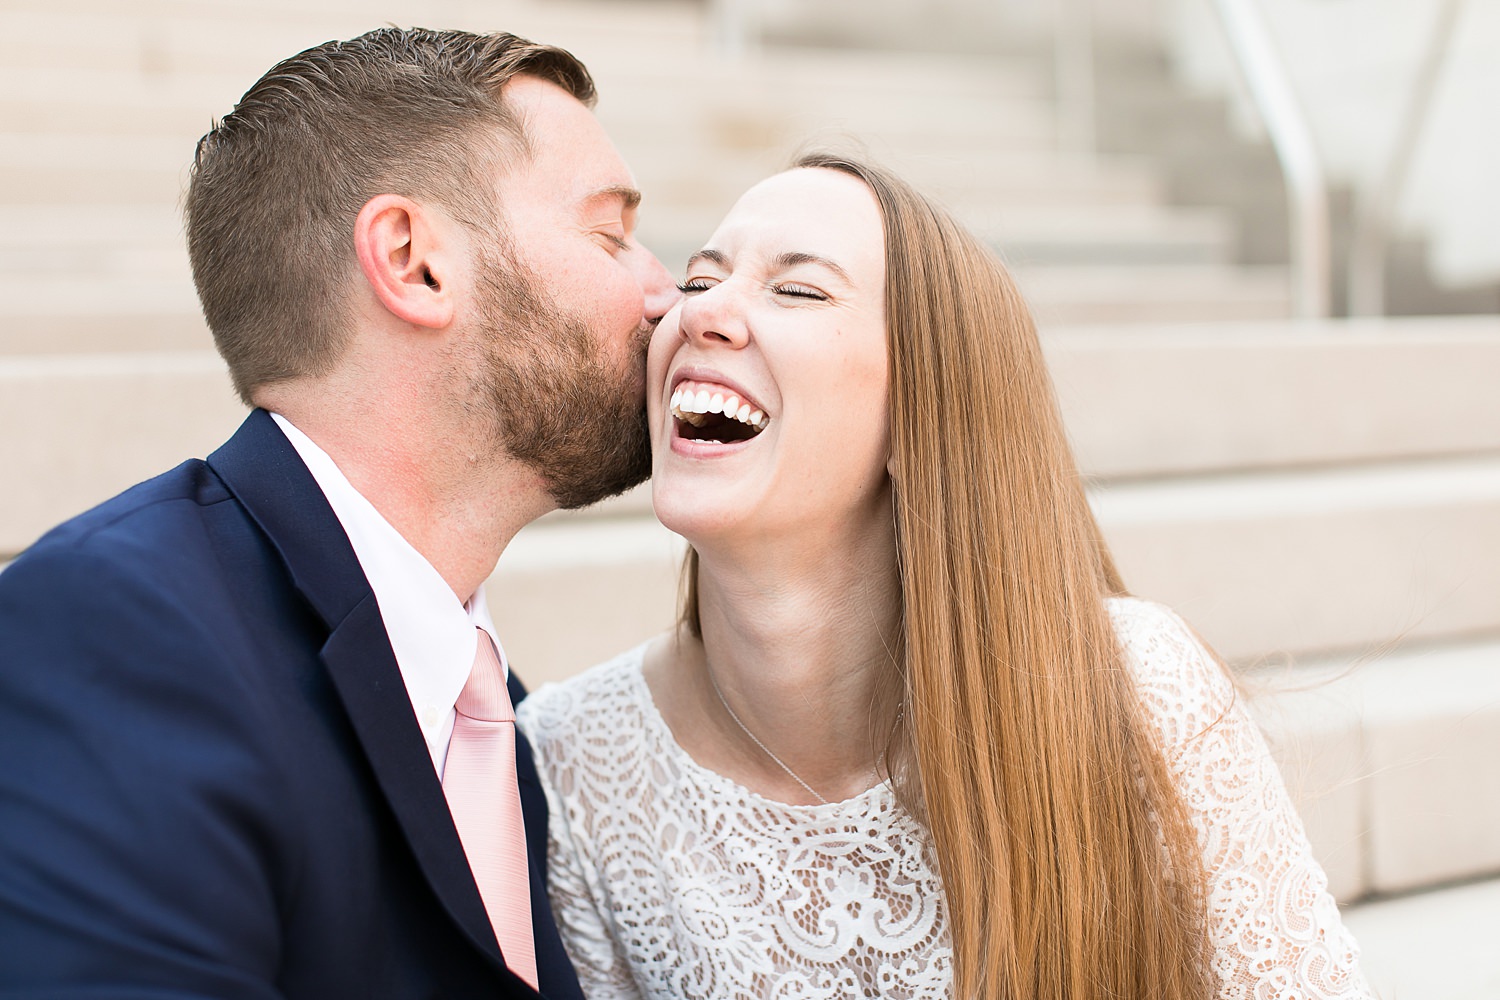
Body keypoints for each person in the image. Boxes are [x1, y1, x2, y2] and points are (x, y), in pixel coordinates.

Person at [516, 154, 1375, 999]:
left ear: (918, 419)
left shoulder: (1133, 688)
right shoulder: (575, 759)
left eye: (800, 289)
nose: (703, 315)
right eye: (700, 281)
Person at [0, 27, 677, 998]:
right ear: (412, 261)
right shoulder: (112, 625)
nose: (666, 291)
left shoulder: (499, 712)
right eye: (610, 233)